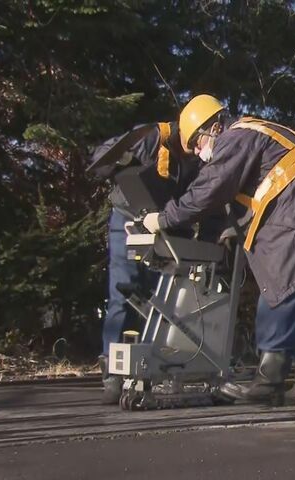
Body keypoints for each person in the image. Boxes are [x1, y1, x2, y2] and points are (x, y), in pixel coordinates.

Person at [143, 95, 295, 406]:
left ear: (215, 126)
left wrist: (165, 217)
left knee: (281, 288)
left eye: (196, 142)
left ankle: (269, 381)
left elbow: (210, 189)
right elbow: (246, 197)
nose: (198, 152)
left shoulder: (236, 136)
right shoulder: (266, 133)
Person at [90, 121, 201, 404]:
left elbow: (196, 200)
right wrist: (124, 159)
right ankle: (113, 372)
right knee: (123, 293)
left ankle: (152, 367)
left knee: (161, 299)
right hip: (128, 219)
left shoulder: (194, 160)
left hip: (165, 227)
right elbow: (102, 159)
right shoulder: (151, 136)